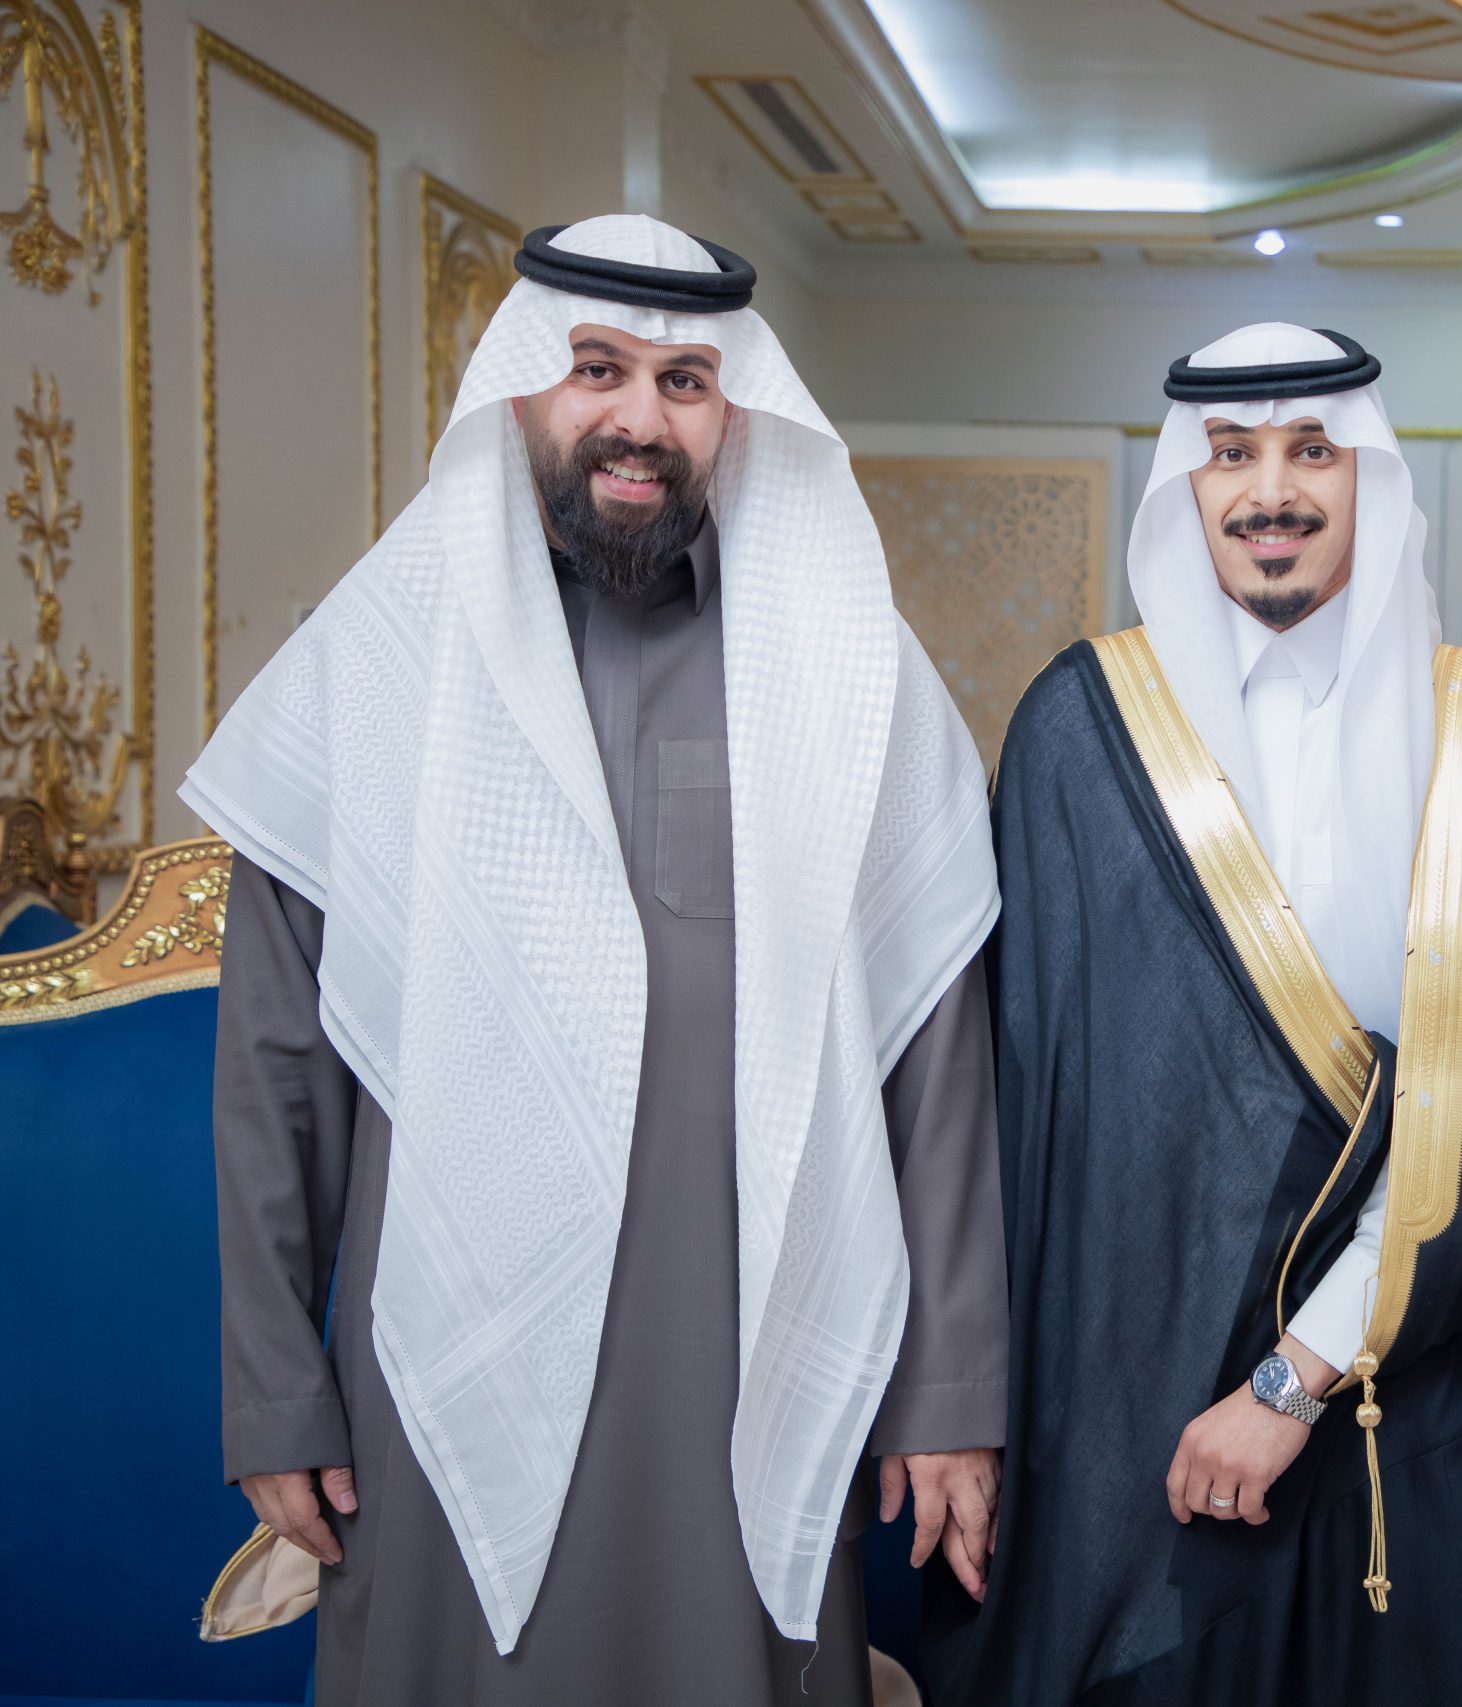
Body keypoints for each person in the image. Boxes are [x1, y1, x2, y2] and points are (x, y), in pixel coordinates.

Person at [189, 215, 1007, 1705]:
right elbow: (276, 1065)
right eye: (597, 369)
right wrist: (274, 1389)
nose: (640, 417)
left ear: (733, 412)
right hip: (446, 1340)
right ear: (522, 387)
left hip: (747, 1336)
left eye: (685, 381)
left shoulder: (840, 662)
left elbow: (934, 1055)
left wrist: (949, 1392)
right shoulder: (381, 657)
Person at [928, 324, 1462, 1705]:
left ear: (1368, 476)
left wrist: (1292, 1378)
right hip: (1138, 1417)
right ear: (1184, 490)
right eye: (1230, 455)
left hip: (1418, 1400)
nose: (1272, 492)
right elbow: (1025, 1118)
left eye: (1314, 450)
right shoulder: (1079, 730)